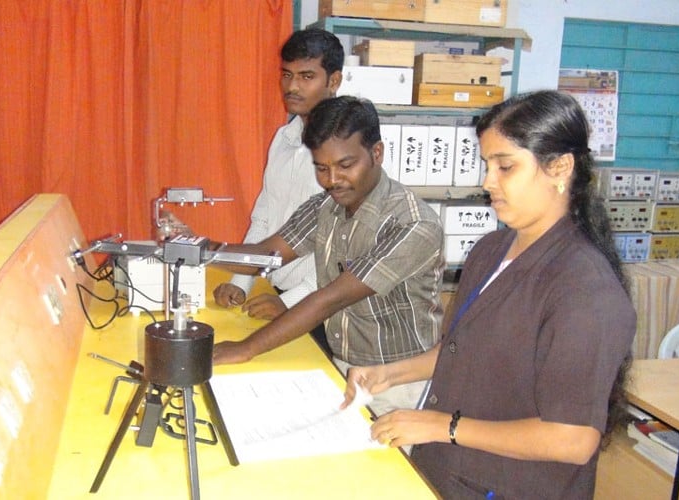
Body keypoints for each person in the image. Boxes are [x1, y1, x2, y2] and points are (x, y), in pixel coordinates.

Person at [341, 90, 636, 499]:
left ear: (560, 168)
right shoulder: (491, 250)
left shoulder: (586, 290)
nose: (486, 181)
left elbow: (572, 439)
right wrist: (390, 373)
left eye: (505, 167)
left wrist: (443, 425)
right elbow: (465, 348)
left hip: (513, 487)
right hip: (447, 469)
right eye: (486, 164)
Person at [213, 96, 445, 415]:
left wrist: (245, 348)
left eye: (345, 166)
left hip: (399, 384)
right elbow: (267, 255)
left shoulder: (414, 223)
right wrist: (197, 250)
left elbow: (331, 299)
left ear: (376, 153)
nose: (332, 180)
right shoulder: (327, 205)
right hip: (342, 366)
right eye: (322, 168)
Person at [212, 29, 343, 353]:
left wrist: (292, 303)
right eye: (287, 75)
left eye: (307, 76)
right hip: (278, 297)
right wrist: (241, 282)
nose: (292, 87)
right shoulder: (284, 139)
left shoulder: (349, 150)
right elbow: (264, 217)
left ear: (334, 81)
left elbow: (346, 248)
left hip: (326, 311)